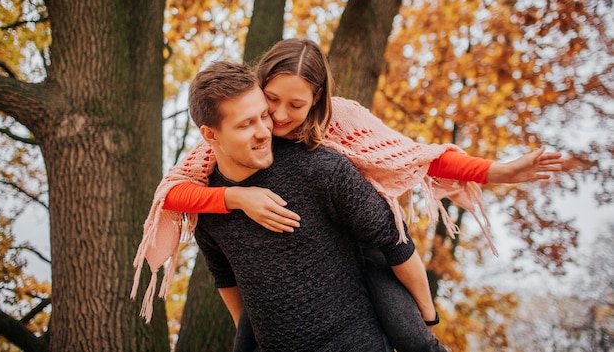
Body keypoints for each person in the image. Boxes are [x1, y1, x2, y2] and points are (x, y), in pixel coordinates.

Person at [131, 39, 563, 349]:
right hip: (281, 294)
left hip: (363, 242)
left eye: (293, 107)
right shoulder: (225, 135)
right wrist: (236, 199)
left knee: (412, 333)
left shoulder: (340, 124)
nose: (276, 119)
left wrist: (498, 170)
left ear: (317, 99)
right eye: (269, 103)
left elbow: (414, 157)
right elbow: (172, 195)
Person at [185, 60, 433, 351]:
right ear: (210, 135)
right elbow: (225, 276)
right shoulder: (207, 206)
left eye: (264, 115)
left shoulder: (322, 170)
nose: (264, 131)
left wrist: (428, 317)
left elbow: (394, 239)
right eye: (245, 124)